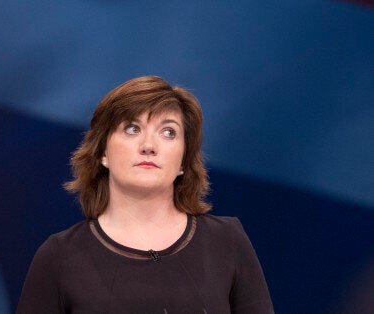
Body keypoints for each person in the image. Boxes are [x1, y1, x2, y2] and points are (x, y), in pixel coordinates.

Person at [16, 76, 273, 313]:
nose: (149, 146)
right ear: (103, 152)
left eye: (168, 132)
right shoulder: (59, 256)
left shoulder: (227, 241)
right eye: (132, 129)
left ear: (184, 159)